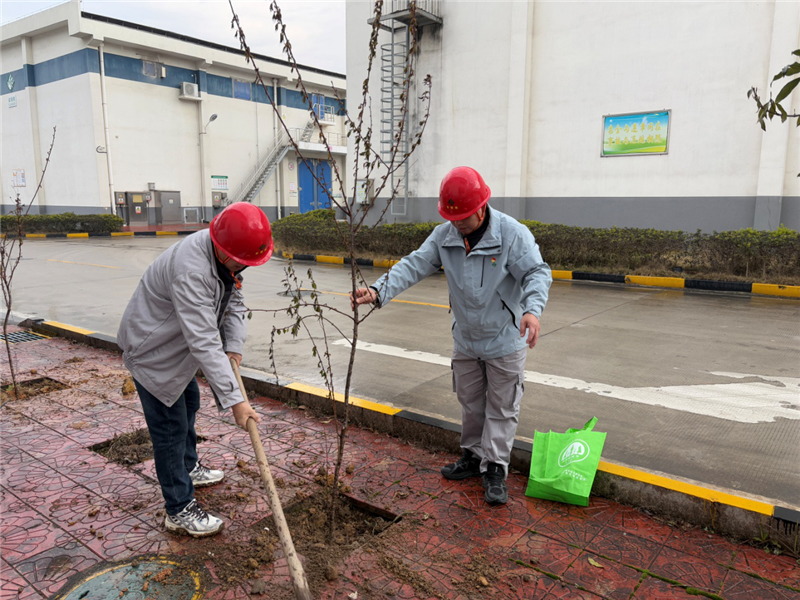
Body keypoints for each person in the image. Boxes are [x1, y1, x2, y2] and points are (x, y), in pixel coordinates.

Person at [352, 166, 551, 506]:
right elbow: (414, 264)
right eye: (451, 217)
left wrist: (532, 309)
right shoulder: (445, 235)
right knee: (471, 404)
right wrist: (378, 289)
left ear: (481, 208)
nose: (456, 224)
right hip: (466, 339)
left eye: (462, 218)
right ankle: (474, 458)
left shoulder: (511, 234)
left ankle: (495, 469)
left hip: (505, 338)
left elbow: (536, 271)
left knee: (502, 408)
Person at [117, 202, 273, 536]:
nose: (244, 267)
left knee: (189, 403)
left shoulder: (224, 257)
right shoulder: (193, 270)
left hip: (176, 349)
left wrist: (234, 347)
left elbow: (233, 304)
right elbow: (203, 340)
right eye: (242, 261)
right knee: (170, 430)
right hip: (153, 353)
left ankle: (189, 466)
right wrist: (236, 401)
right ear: (224, 248)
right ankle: (178, 508)